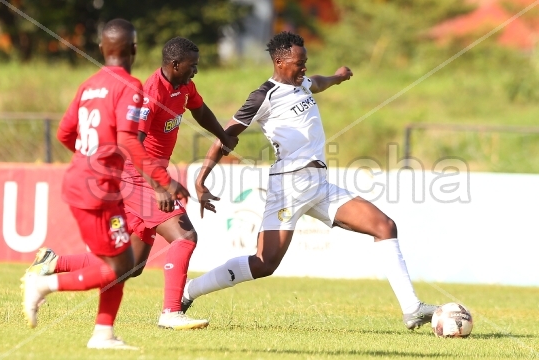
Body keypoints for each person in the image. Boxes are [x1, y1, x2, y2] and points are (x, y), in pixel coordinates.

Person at [182, 31, 438, 330]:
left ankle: (412, 308)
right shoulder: (264, 95)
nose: (304, 67)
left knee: (385, 226)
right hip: (288, 187)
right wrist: (202, 178)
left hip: (319, 184)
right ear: (279, 61)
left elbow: (317, 81)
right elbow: (225, 135)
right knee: (264, 264)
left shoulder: (302, 82)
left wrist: (338, 77)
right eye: (298, 62)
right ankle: (189, 291)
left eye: (305, 61)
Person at [25, 36, 239, 330]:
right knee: (185, 236)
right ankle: (171, 312)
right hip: (138, 177)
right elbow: (132, 146)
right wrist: (158, 186)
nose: (196, 71)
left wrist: (223, 136)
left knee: (131, 265)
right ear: (175, 64)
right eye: (192, 66)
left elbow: (199, 109)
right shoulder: (150, 94)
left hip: (148, 177)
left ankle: (52, 264)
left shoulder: (184, 86)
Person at [21, 19, 189, 350]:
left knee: (124, 261)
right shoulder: (129, 85)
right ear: (135, 49)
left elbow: (65, 132)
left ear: (101, 49)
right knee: (119, 266)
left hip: (88, 184)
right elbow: (129, 139)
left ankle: (103, 333)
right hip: (98, 189)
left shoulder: (89, 84)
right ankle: (44, 285)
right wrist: (164, 180)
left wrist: (91, 159)